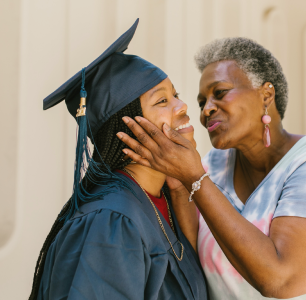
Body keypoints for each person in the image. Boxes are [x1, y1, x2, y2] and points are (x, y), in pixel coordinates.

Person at [117, 37, 306, 299]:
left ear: (266, 94)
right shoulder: (210, 168)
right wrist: (179, 183)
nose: (206, 109)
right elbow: (194, 259)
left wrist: (193, 177)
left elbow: (280, 279)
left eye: (220, 93)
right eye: (203, 102)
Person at [29, 19, 208, 300]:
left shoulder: (162, 198)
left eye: (175, 94)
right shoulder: (110, 222)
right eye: (162, 101)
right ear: (126, 128)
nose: (182, 106)